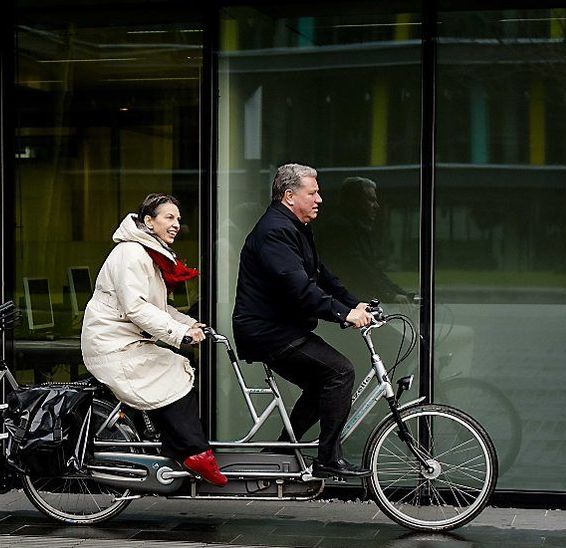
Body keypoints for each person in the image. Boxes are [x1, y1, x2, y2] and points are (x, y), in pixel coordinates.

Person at [232, 164, 373, 479]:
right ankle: (326, 459)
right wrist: (343, 314)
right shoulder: (275, 231)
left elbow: (323, 277)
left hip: (281, 329)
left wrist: (354, 304)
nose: (320, 199)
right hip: (268, 332)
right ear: (289, 195)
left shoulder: (293, 228)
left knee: (321, 383)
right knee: (340, 371)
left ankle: (283, 454)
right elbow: (298, 287)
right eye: (313, 192)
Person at [82, 193, 228, 487]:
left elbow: (158, 308)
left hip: (124, 343)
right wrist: (179, 333)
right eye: (169, 218)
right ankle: (194, 452)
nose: (176, 225)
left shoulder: (147, 252)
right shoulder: (131, 254)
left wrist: (189, 323)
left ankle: (178, 450)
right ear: (149, 222)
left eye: (178, 219)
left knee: (176, 369)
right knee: (173, 370)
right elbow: (135, 307)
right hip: (112, 348)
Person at [320, 176, 412, 305]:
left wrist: (400, 293)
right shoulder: (340, 228)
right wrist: (390, 295)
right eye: (371, 200)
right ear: (353, 201)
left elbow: (372, 269)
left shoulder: (357, 228)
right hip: (343, 307)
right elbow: (359, 268)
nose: (376, 206)